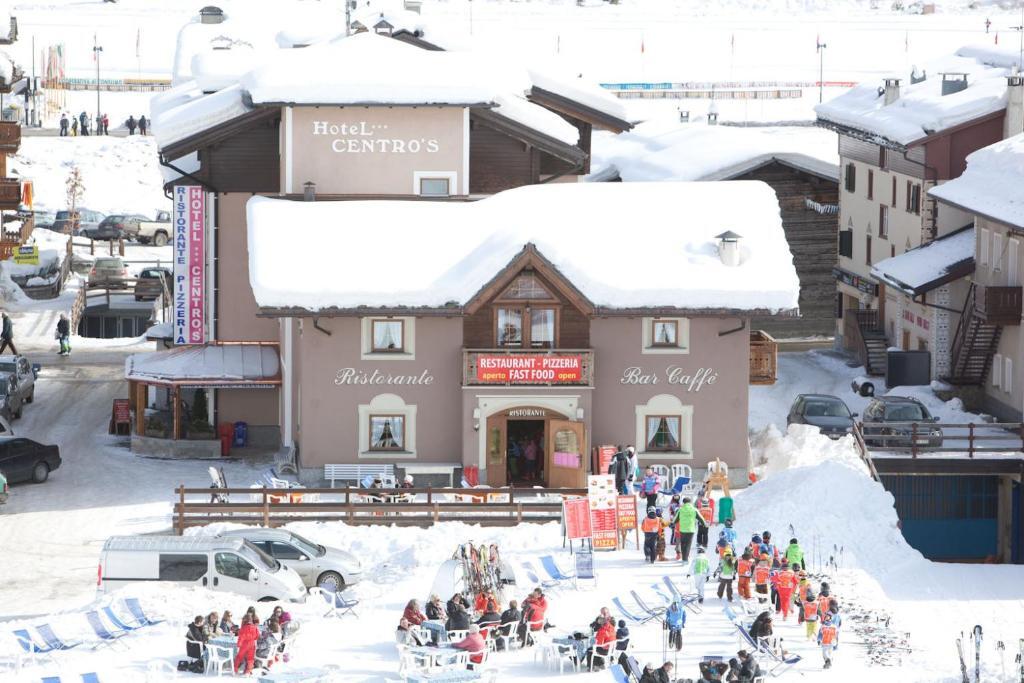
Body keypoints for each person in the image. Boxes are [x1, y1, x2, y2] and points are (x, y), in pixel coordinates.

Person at [672, 496, 703, 561]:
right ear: (690, 502)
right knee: (688, 544)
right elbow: (701, 518)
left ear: (683, 502)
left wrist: (672, 523)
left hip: (682, 529)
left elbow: (675, 520)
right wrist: (705, 524)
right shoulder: (694, 509)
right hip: (691, 530)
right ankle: (686, 558)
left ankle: (684, 559)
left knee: (683, 544)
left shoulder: (680, 509)